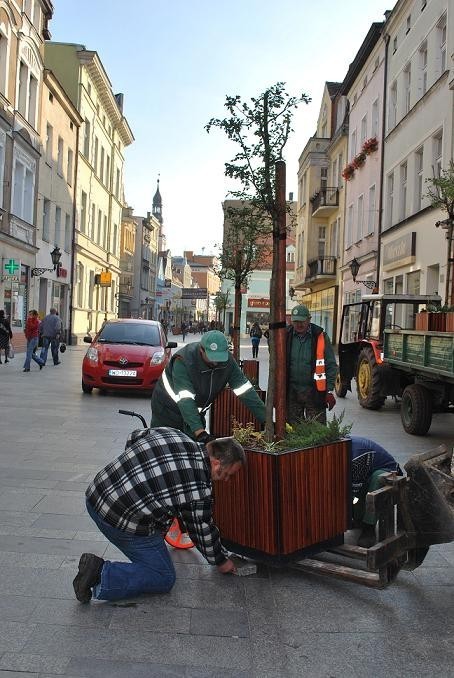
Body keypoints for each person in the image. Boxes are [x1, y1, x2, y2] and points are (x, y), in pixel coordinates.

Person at [73, 428, 245, 603]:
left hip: (96, 493)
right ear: (216, 463)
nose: (226, 480)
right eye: (228, 474)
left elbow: (135, 436)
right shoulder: (199, 487)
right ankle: (100, 574)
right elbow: (202, 531)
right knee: (163, 576)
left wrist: (135, 475)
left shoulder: (174, 434)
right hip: (116, 518)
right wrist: (222, 561)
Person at [150, 329, 266, 442]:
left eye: (219, 357)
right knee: (164, 449)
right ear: (201, 350)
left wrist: (267, 419)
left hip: (195, 413)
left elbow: (245, 391)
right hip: (167, 412)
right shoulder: (184, 360)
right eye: (212, 357)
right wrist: (199, 432)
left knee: (194, 452)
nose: (216, 362)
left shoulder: (228, 362)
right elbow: (186, 399)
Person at [286, 305, 337, 426]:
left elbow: (331, 365)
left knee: (316, 430)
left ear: (309, 319)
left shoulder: (320, 337)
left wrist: (329, 390)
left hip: (314, 392)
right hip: (292, 392)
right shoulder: (285, 336)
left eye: (302, 321)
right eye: (296, 321)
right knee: (293, 430)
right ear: (291, 321)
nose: (299, 325)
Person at [350, 435, 402, 548]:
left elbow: (354, 489)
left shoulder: (355, 457)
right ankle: (358, 518)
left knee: (373, 483)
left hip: (389, 472)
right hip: (367, 471)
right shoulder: (344, 453)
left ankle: (369, 527)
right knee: (355, 491)